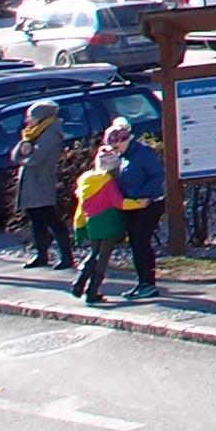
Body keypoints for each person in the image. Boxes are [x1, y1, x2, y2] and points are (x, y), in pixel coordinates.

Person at [9, 101, 71, 271]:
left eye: (32, 117)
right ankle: (41, 255)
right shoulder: (31, 134)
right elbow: (14, 156)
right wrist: (24, 146)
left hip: (41, 184)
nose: (27, 120)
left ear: (42, 117)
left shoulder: (50, 134)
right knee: (36, 221)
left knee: (51, 219)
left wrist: (24, 156)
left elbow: (35, 159)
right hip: (30, 184)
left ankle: (67, 256)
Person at [70, 126, 129, 304]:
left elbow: (81, 207)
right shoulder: (109, 183)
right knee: (103, 257)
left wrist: (79, 227)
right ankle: (92, 290)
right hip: (109, 223)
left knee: (93, 252)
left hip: (93, 223)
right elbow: (119, 202)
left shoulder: (87, 181)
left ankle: (80, 281)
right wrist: (138, 203)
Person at [113, 118, 166, 300]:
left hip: (150, 203)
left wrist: (141, 194)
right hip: (132, 205)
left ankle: (149, 283)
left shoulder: (143, 153)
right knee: (135, 242)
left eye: (117, 143)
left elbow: (157, 175)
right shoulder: (123, 157)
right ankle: (142, 282)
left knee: (141, 241)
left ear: (125, 139)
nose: (115, 147)